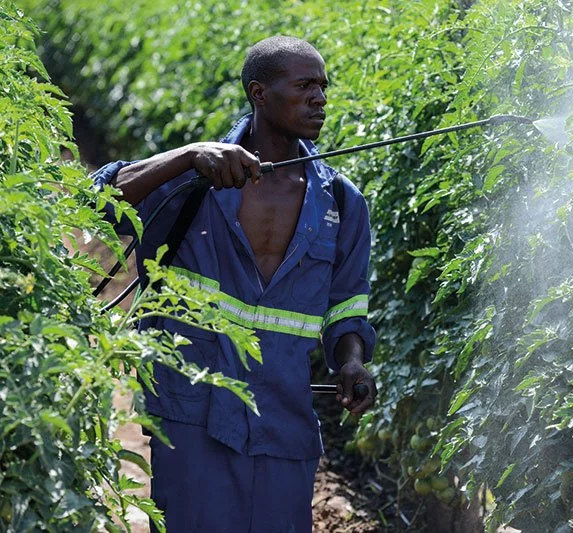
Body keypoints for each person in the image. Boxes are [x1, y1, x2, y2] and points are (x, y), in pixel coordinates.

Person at [91, 36, 377, 532]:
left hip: (283, 413)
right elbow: (94, 204)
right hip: (193, 406)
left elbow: (346, 304)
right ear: (259, 93)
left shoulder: (340, 201)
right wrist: (187, 155)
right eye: (304, 86)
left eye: (323, 86)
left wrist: (350, 361)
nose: (320, 98)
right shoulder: (193, 180)